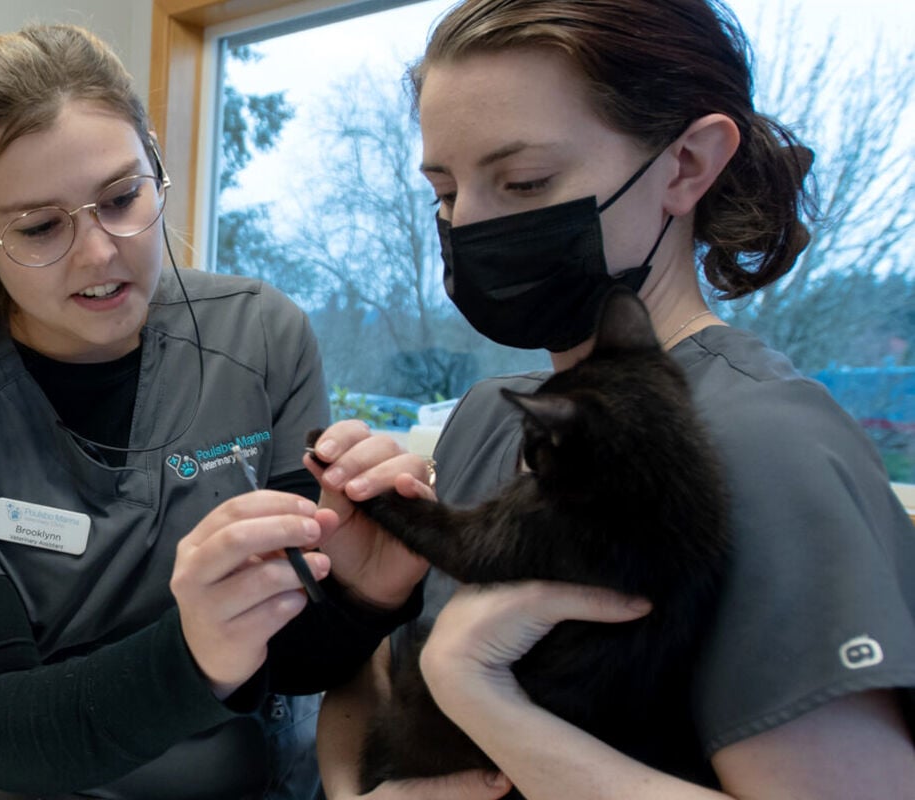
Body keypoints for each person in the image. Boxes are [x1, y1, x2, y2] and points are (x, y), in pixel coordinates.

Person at [307, 0, 915, 797]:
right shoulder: (494, 415)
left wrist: (476, 693)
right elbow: (380, 694)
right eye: (447, 191)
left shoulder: (768, 445)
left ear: (688, 165)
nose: (469, 226)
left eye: (525, 181)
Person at [0, 24, 425, 800]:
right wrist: (193, 652)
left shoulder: (261, 337)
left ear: (156, 164)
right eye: (40, 227)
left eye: (123, 197)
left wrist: (368, 592)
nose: (99, 253)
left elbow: (297, 657)